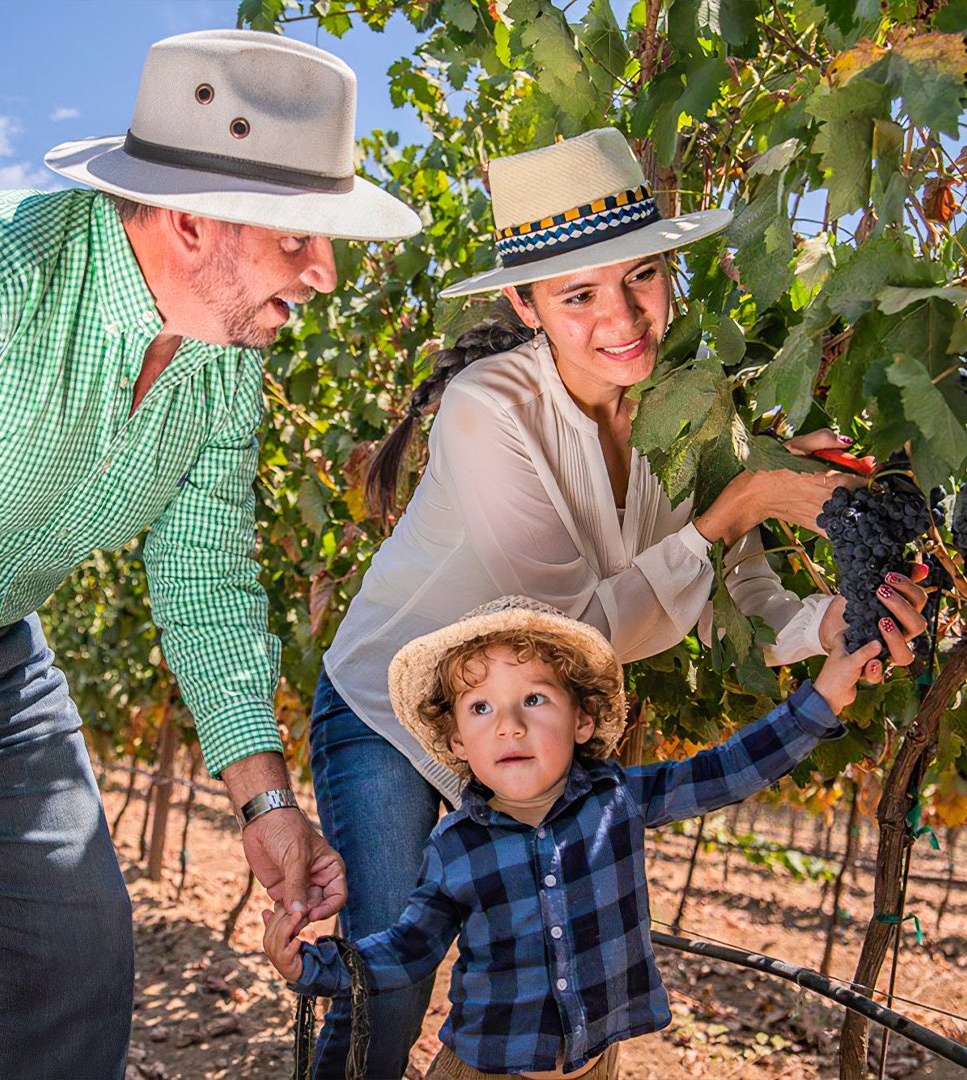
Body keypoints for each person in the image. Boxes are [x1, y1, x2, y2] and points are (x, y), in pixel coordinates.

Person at [308, 127, 928, 1076]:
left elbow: (746, 601)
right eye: (578, 294)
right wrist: (737, 506)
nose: (623, 316)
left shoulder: (692, 411)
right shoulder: (489, 408)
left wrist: (840, 626)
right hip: (391, 708)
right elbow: (564, 635)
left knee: (536, 969)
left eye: (642, 276)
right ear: (525, 302)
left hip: (520, 720)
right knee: (392, 977)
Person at [0, 29, 419, 1078]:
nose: (326, 272)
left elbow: (207, 582)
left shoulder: (222, 359)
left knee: (77, 957)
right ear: (189, 219)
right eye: (301, 237)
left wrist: (266, 806)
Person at [267, 596, 882, 1078]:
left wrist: (822, 697)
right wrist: (316, 967)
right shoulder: (456, 848)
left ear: (583, 719)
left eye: (534, 699)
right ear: (456, 742)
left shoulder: (617, 800)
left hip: (594, 1066)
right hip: (481, 1072)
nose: (509, 725)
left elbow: (723, 772)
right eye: (480, 708)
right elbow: (405, 951)